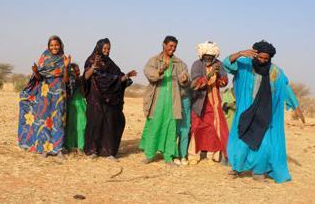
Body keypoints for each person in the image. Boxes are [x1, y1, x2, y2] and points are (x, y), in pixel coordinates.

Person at [223, 40, 305, 183]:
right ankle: (236, 169)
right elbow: (227, 64)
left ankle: (259, 171)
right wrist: (240, 54)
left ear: (270, 58)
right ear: (254, 55)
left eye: (266, 59)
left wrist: (296, 105)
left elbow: (284, 87)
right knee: (242, 140)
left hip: (265, 112)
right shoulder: (245, 65)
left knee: (264, 143)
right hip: (246, 110)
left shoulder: (275, 71)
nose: (262, 61)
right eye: (259, 57)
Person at [139, 36, 190, 166]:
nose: (172, 49)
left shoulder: (179, 63)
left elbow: (185, 79)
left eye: (175, 47)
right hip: (157, 100)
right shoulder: (154, 60)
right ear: (164, 44)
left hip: (173, 101)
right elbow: (148, 72)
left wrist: (185, 79)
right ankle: (150, 155)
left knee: (171, 128)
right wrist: (160, 70)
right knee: (154, 126)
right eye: (170, 46)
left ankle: (168, 156)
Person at [18, 35, 71, 159]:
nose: (54, 47)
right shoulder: (43, 58)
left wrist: (67, 67)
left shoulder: (64, 58)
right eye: (52, 45)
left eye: (56, 45)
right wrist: (36, 71)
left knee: (58, 119)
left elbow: (66, 80)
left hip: (59, 93)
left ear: (61, 45)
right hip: (45, 92)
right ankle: (44, 149)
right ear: (48, 46)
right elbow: (38, 77)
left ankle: (58, 149)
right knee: (44, 119)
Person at [83, 38, 137, 160]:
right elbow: (85, 76)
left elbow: (118, 78)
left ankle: (108, 152)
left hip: (110, 100)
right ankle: (93, 150)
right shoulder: (91, 60)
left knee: (110, 123)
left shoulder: (110, 64)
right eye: (105, 48)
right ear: (99, 48)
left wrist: (126, 76)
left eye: (109, 49)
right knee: (95, 122)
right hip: (95, 98)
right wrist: (93, 67)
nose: (107, 51)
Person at [188, 41, 229, 165]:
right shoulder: (196, 65)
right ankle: (193, 155)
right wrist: (209, 75)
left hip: (214, 102)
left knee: (213, 129)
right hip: (199, 102)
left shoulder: (219, 64)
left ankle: (212, 155)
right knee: (197, 127)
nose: (208, 59)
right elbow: (195, 84)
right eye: (206, 56)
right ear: (202, 55)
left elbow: (224, 82)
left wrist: (217, 75)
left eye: (211, 57)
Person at [64, 63, 87, 153]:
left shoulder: (81, 80)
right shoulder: (69, 81)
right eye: (75, 71)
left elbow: (84, 93)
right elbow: (66, 83)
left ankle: (81, 146)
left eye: (78, 70)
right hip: (71, 105)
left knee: (82, 125)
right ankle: (69, 146)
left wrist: (80, 82)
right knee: (70, 126)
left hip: (81, 104)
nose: (78, 72)